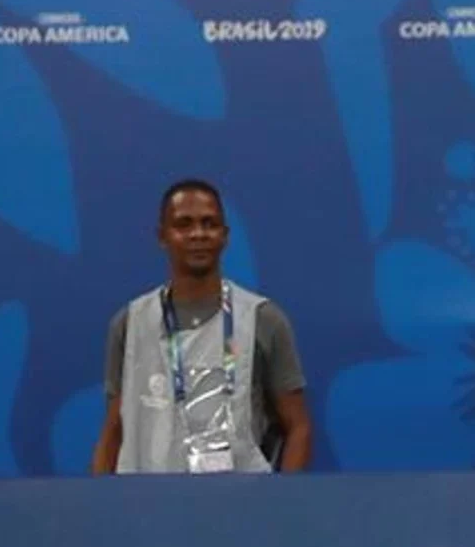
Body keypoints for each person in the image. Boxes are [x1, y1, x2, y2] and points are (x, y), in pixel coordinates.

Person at [92, 180, 311, 474]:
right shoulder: (130, 323)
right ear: (162, 236)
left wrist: (278, 504)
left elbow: (298, 427)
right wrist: (103, 504)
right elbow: (115, 428)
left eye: (209, 223)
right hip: (147, 508)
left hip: (242, 508)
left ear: (225, 235)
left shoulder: (264, 319)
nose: (198, 234)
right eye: (184, 224)